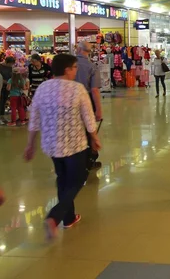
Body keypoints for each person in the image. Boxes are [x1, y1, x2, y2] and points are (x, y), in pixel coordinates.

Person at [24, 54, 101, 239]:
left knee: (63, 179)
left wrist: (30, 144)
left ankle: (69, 218)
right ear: (67, 69)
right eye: (75, 68)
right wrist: (94, 137)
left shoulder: (43, 88)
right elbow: (88, 117)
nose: (76, 71)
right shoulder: (77, 89)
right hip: (74, 143)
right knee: (78, 179)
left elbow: (34, 118)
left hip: (51, 143)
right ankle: (54, 217)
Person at [74, 42, 103, 170]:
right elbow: (95, 90)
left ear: (79, 49)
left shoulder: (69, 66)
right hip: (86, 101)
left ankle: (75, 160)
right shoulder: (92, 67)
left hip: (68, 102)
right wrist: (98, 110)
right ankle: (89, 160)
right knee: (89, 130)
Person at [0, 56, 15, 124]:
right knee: (0, 102)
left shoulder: (10, 67)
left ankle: (2, 116)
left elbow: (11, 76)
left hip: (7, 87)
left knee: (4, 102)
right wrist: (7, 82)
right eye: (10, 64)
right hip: (0, 86)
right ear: (6, 62)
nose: (11, 65)